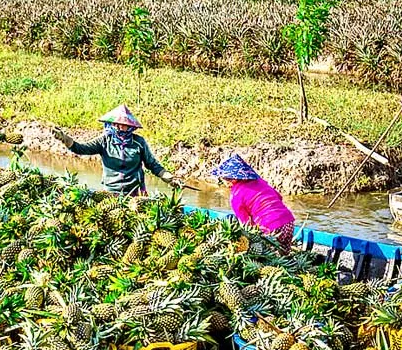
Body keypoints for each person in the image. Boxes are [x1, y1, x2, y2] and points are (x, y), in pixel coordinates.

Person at [52, 105, 181, 196]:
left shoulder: (138, 143)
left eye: (123, 124)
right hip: (111, 192)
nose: (119, 127)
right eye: (116, 124)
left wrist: (168, 177)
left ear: (130, 126)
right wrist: (64, 139)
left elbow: (152, 164)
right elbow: (81, 149)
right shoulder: (104, 141)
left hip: (135, 193)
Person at [211, 154, 296, 251]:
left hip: (269, 226)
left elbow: (246, 224)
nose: (224, 183)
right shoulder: (260, 181)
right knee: (284, 253)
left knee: (270, 255)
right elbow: (278, 197)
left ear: (232, 180)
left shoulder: (236, 196)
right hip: (288, 221)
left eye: (223, 179)